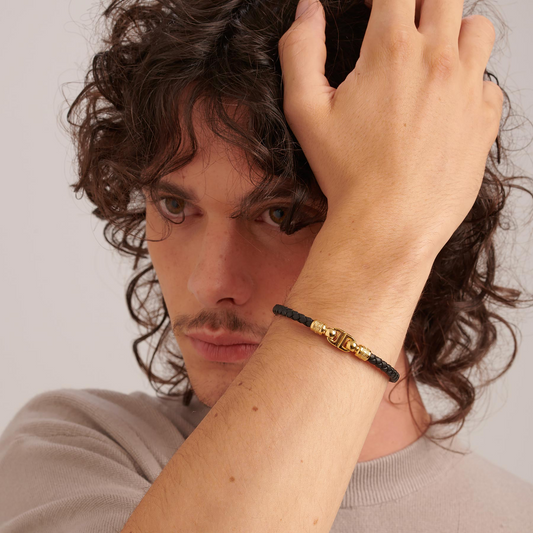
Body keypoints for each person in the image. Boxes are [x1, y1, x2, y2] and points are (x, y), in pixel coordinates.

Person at [1, 0, 532, 531]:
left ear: (428, 209)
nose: (209, 282)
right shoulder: (74, 455)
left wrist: (385, 229)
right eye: (175, 205)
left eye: (281, 214)